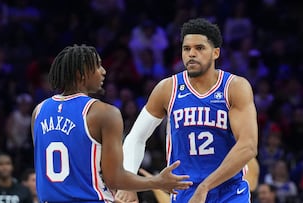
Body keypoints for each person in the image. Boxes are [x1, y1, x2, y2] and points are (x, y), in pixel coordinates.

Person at [116, 18, 258, 202]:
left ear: (215, 53)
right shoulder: (167, 89)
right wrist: (129, 182)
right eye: (186, 49)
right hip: (185, 191)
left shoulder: (234, 87)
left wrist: (206, 186)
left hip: (229, 191)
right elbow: (136, 137)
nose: (191, 54)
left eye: (199, 48)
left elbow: (248, 146)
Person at [31, 44, 192, 202]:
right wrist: (157, 182)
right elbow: (114, 179)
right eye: (98, 66)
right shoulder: (104, 113)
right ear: (82, 74)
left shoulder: (38, 111)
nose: (103, 71)